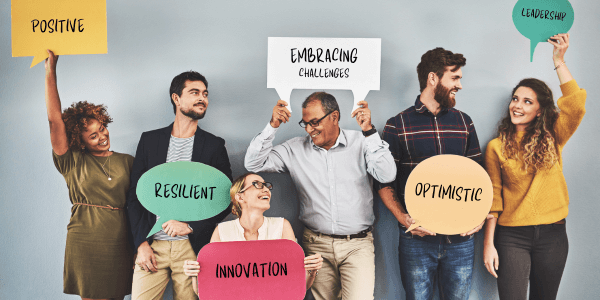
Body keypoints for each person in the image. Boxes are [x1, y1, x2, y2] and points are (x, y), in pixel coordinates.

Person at [245, 92, 396, 300]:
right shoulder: (294, 148)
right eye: (305, 123)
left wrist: (369, 132)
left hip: (357, 246)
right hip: (316, 245)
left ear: (334, 117)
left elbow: (387, 174)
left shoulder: (362, 142)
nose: (309, 129)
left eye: (315, 122)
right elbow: (253, 164)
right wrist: (272, 125)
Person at [376, 47, 487, 300]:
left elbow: (479, 176)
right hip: (417, 242)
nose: (460, 85)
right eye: (455, 78)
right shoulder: (398, 124)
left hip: (461, 241)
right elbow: (383, 183)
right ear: (433, 78)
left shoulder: (463, 122)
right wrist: (404, 219)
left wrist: (479, 217)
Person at [483, 34, 585, 300]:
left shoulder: (554, 136)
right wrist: (488, 245)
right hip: (512, 236)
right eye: (515, 99)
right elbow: (493, 201)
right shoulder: (496, 147)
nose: (517, 105)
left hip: (553, 235)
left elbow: (575, 106)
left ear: (540, 110)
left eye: (527, 101)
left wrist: (558, 60)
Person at [126, 71, 233, 300]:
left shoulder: (214, 146)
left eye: (205, 93)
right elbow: (135, 197)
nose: (202, 98)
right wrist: (141, 244)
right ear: (176, 98)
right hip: (152, 245)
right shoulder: (149, 141)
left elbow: (226, 199)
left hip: (192, 248)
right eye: (194, 92)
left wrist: (191, 226)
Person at [44, 49, 133, 300]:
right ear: (80, 141)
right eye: (93, 135)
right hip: (85, 239)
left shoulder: (127, 161)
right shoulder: (72, 161)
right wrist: (51, 72)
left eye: (102, 129)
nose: (102, 136)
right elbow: (54, 121)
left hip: (119, 239)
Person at [183, 172, 324, 295]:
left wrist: (312, 271)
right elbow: (206, 291)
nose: (266, 189)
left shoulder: (282, 226)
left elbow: (298, 287)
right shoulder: (222, 230)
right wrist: (194, 274)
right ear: (239, 197)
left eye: (266, 186)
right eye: (257, 184)